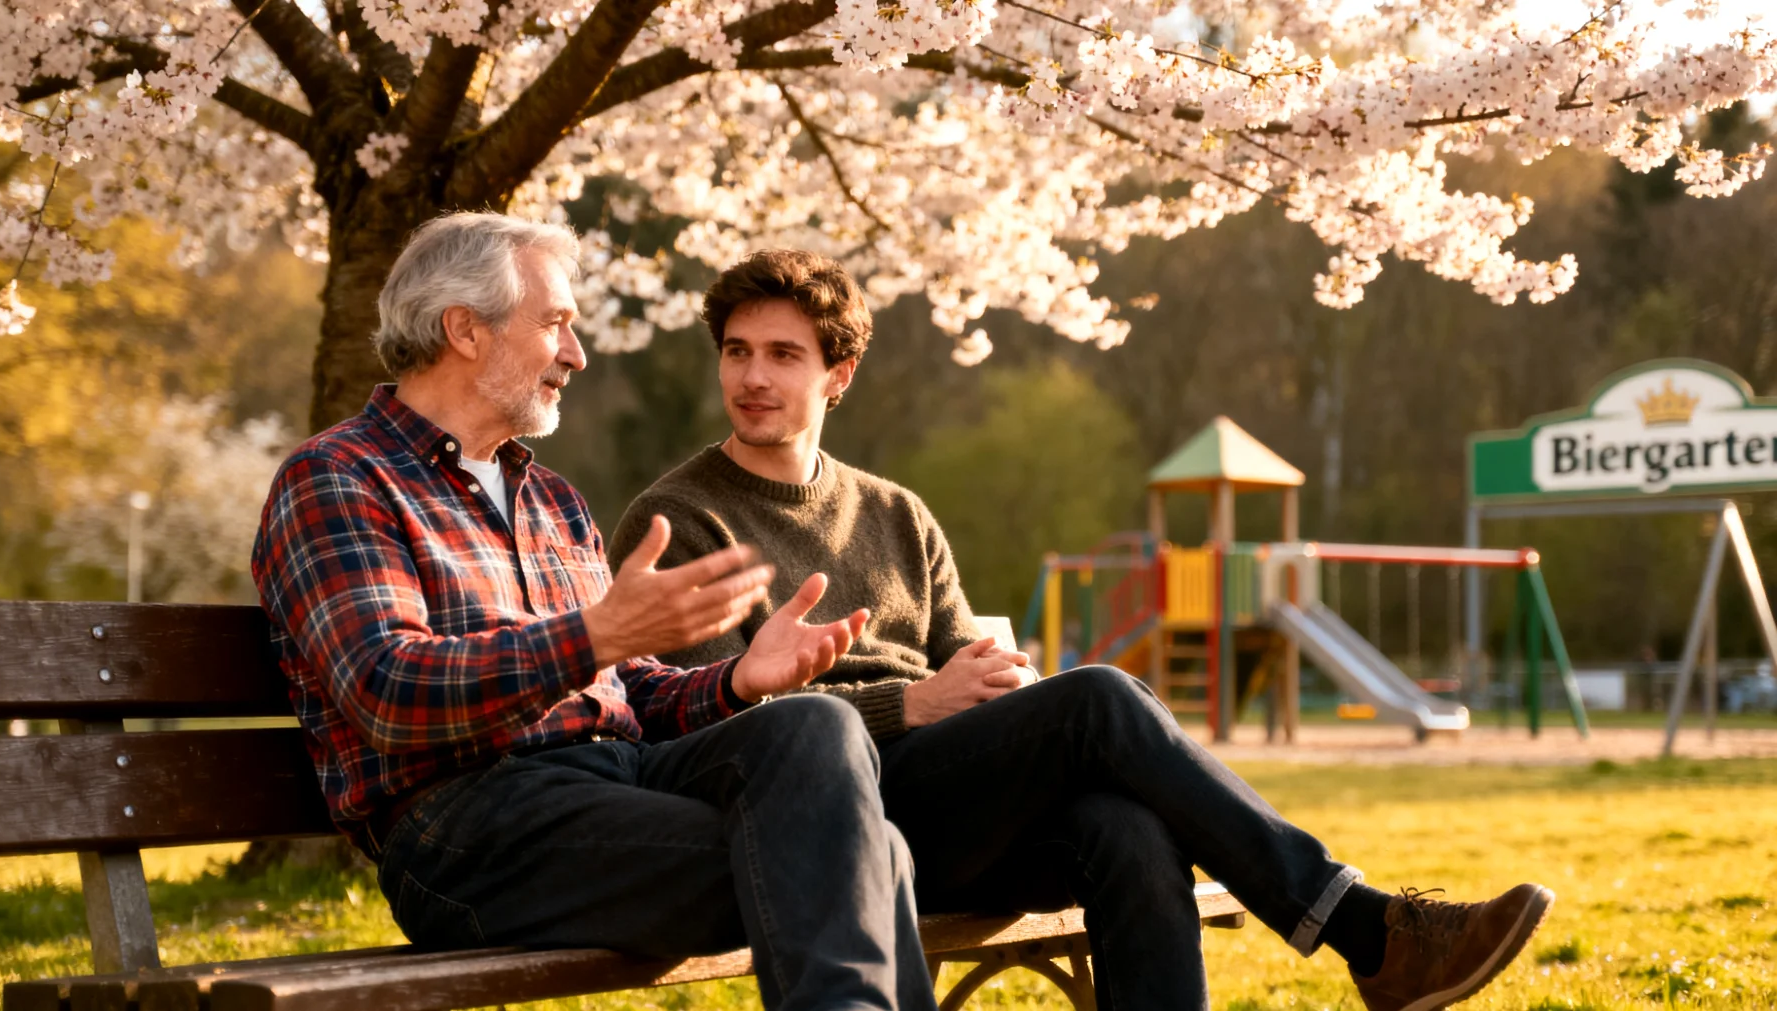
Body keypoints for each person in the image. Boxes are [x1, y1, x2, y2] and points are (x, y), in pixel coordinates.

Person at [612, 248, 1554, 1011]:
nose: (753, 376)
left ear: (839, 373)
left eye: (783, 354)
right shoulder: (682, 517)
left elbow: (963, 666)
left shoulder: (896, 512)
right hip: (822, 824)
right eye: (737, 351)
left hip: (944, 803)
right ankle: (1362, 928)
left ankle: (1364, 933)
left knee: (1128, 826)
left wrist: (991, 687)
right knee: (1101, 695)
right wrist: (914, 703)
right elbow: (701, 732)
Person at [251, 216, 939, 1011]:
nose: (577, 353)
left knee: (815, 725)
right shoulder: (340, 478)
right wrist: (589, 637)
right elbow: (388, 690)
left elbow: (623, 685)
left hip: (616, 778)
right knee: (859, 851)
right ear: (464, 330)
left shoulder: (552, 500)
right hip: (466, 826)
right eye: (556, 324)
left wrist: (738, 681)